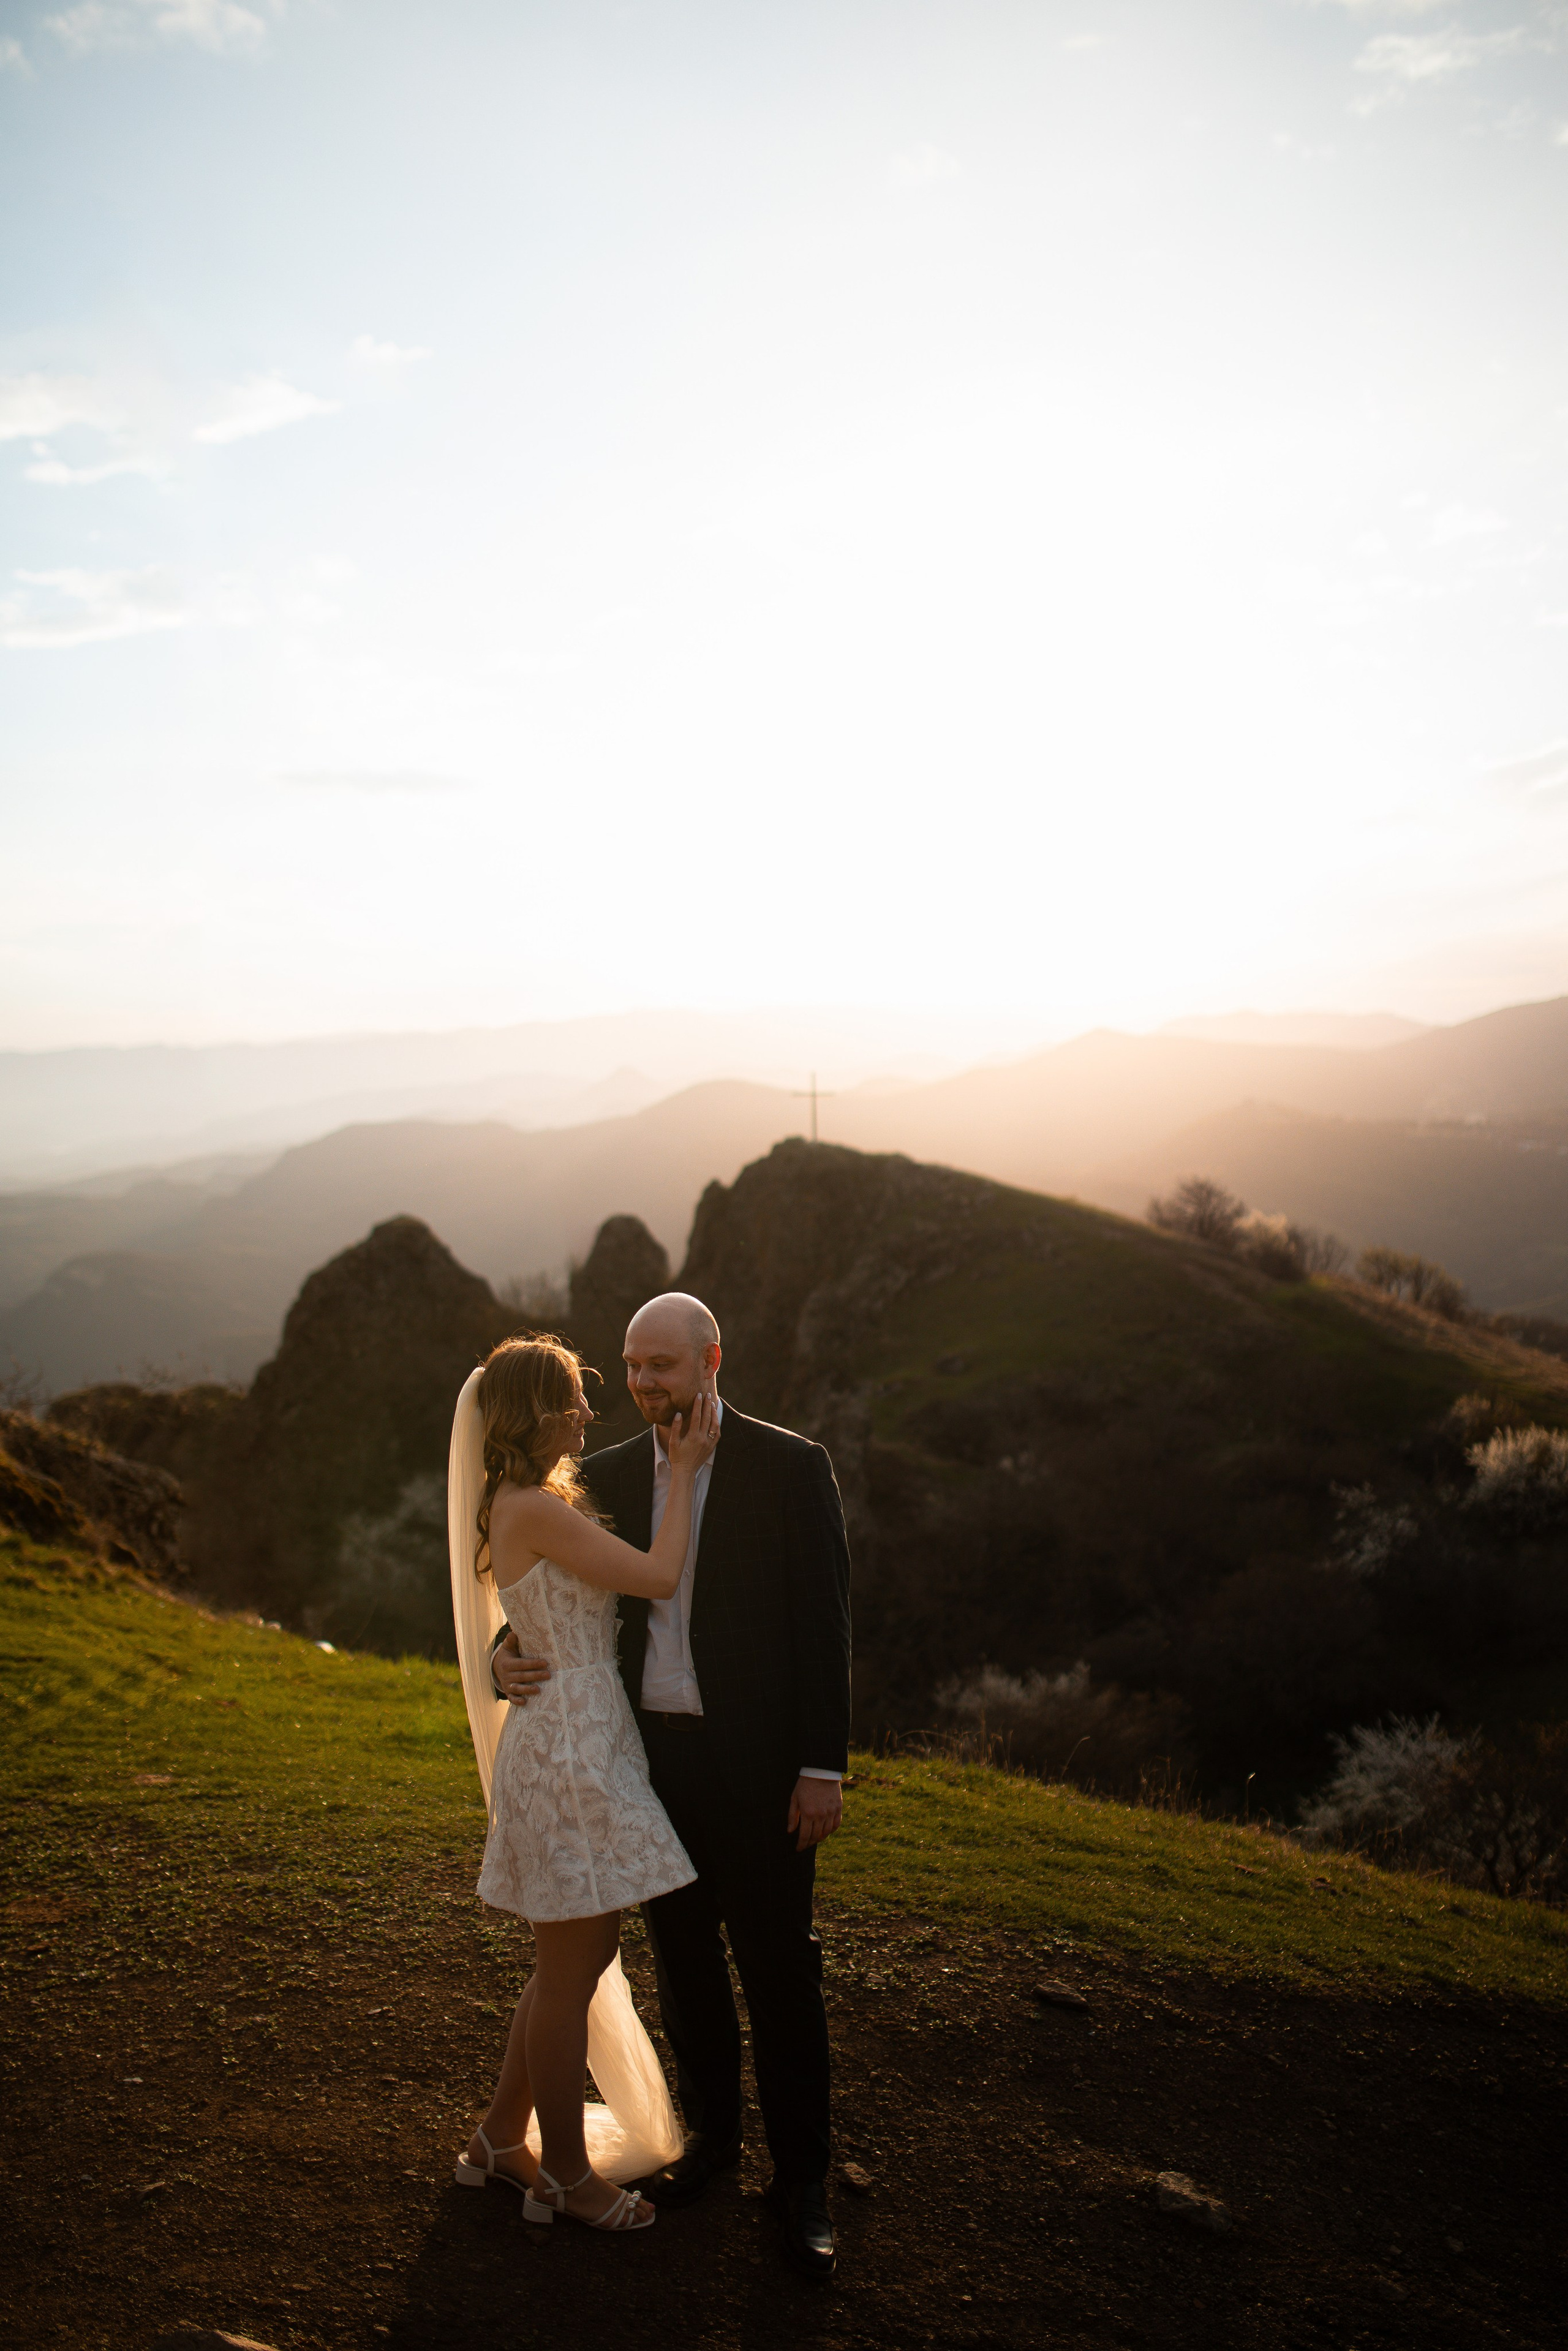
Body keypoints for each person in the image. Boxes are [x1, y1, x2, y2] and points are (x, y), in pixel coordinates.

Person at [492, 1291, 852, 2278]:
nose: (644, 1381)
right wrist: (500, 1656)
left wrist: (821, 1766)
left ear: (710, 1361)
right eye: (632, 1365)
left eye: (662, 1364)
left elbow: (824, 1626)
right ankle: (711, 2144)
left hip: (764, 1768)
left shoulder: (790, 1466)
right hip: (644, 1767)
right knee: (686, 1966)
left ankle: (804, 2181)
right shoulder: (599, 1476)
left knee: (780, 1973)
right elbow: (538, 1592)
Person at [448, 1335, 719, 2232]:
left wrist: (507, 1652)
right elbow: (658, 1577)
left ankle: (500, 2138)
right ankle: (564, 2174)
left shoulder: (525, 1502)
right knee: (570, 1973)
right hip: (570, 1753)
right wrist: (687, 1471)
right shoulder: (532, 1506)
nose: (589, 1413)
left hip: (577, 1740)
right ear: (539, 1413)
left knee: (571, 1963)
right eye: (574, 1400)